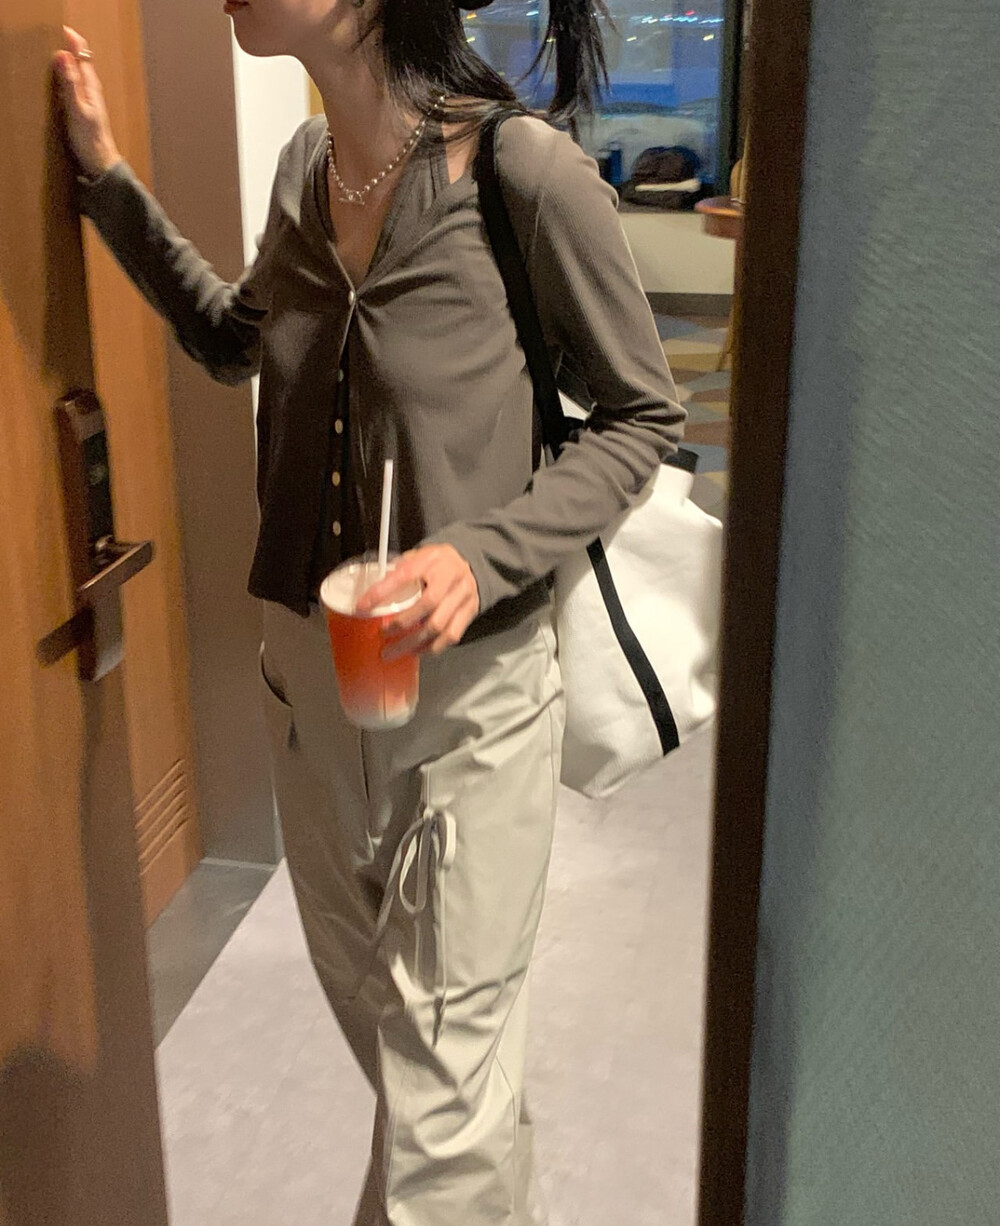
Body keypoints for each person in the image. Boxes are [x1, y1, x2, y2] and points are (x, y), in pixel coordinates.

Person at [55, 2, 684, 1221]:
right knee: (423, 1067)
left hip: (470, 703)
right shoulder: (307, 167)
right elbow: (235, 339)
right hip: (306, 683)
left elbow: (641, 417)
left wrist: (482, 555)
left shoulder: (522, 175)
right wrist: (106, 178)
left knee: (438, 1118)